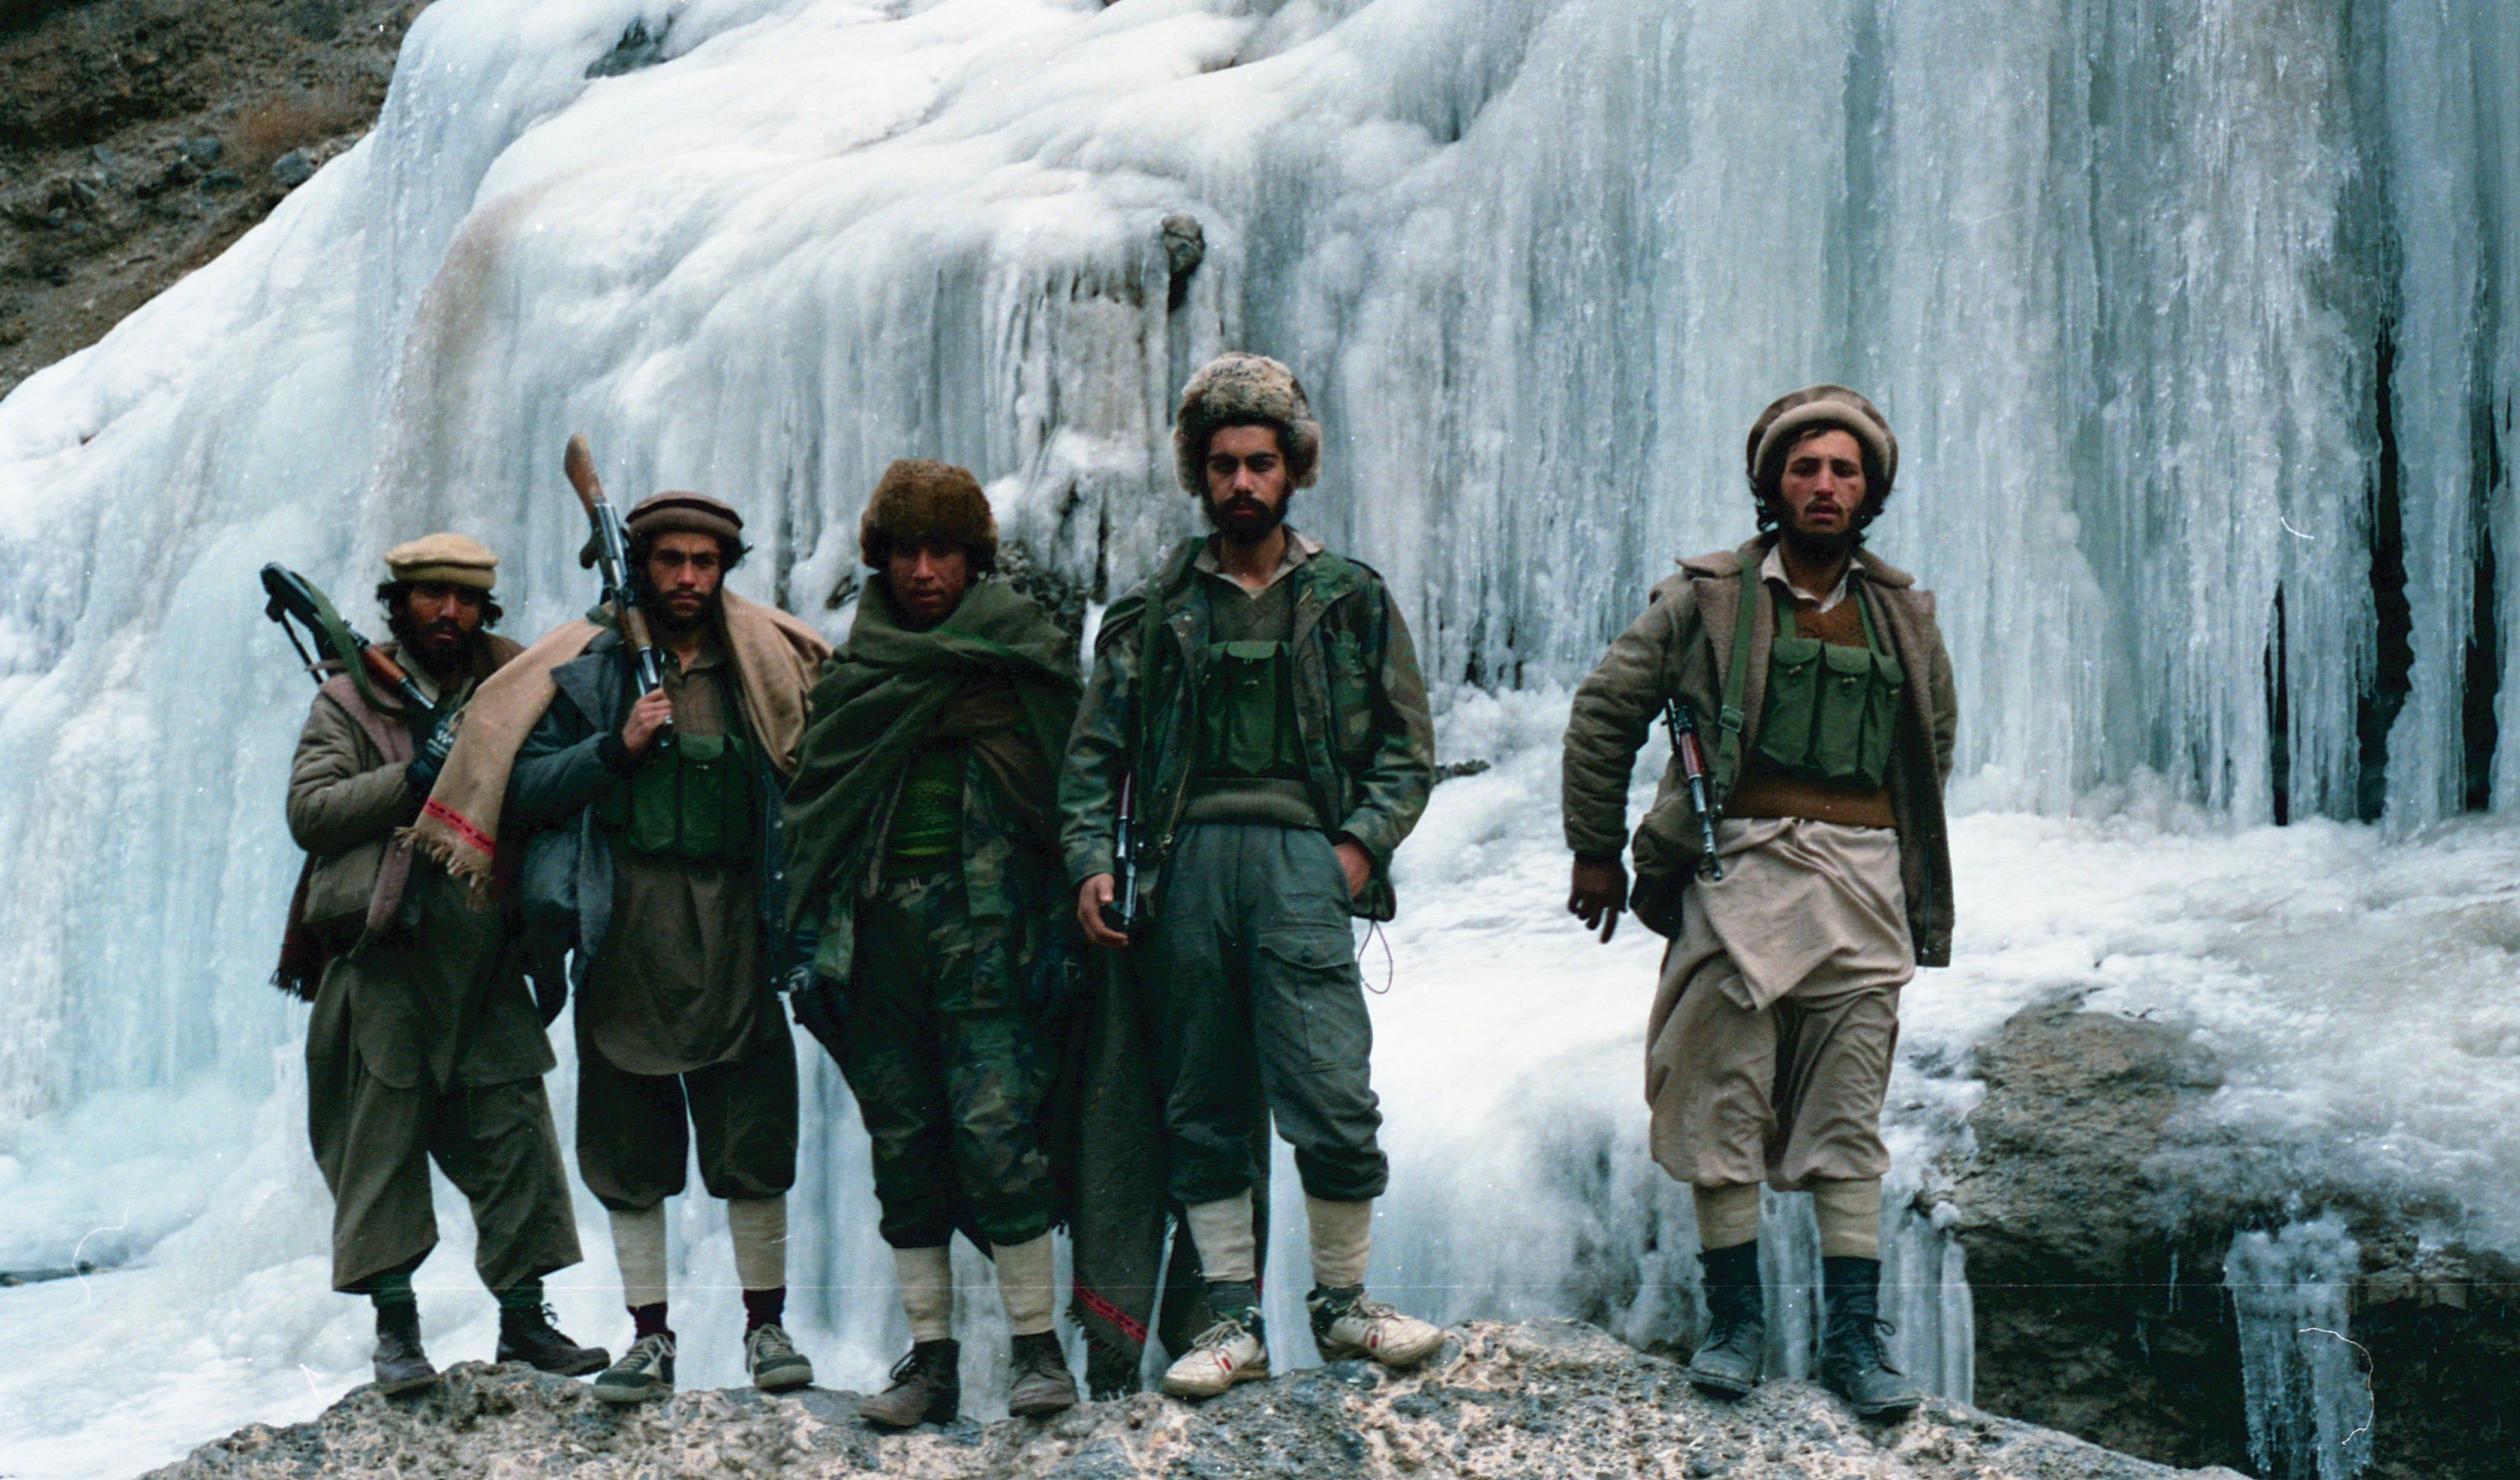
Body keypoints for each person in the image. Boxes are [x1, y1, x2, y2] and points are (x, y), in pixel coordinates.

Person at [1559, 385, 1957, 1419]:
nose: (1823, 486)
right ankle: (1733, 1324)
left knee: (1846, 1112)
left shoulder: (1902, 615)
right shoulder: (1706, 598)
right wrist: (1594, 849)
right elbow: (1604, 711)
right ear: (1771, 484)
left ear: (1869, 492)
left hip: (1863, 890)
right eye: (1803, 468)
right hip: (1735, 877)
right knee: (1718, 1099)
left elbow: (1930, 748)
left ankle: (1853, 1342)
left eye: (1843, 471)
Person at [1061, 353, 1442, 1399]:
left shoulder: (1349, 599)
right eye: (1223, 464)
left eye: (1260, 463)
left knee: (1331, 1091)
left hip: (1301, 870)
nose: (1241, 482)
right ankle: (1230, 1320)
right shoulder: (1153, 610)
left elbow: (1407, 750)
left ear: (1293, 470)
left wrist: (1354, 850)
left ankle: (1343, 1302)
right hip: (1183, 874)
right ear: (1199, 472)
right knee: (1204, 1104)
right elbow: (1093, 759)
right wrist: (1091, 864)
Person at [414, 493, 829, 1404]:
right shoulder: (585, 667)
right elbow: (523, 786)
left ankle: (767, 1330)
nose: (687, 578)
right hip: (625, 922)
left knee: (755, 1138)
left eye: (705, 563)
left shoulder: (762, 663)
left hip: (736, 926)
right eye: (670, 560)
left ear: (724, 570)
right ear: (640, 566)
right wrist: (616, 746)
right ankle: (649, 1340)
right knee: (628, 1150)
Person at [781, 460, 1083, 1426]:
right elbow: (817, 819)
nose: (922, 571)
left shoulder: (1024, 662)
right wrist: (807, 944)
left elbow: (1069, 805)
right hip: (876, 943)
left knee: (998, 1139)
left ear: (972, 560)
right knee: (903, 1147)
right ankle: (932, 1364)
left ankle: (1038, 1352)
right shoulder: (855, 676)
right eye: (905, 552)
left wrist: (1064, 930)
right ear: (879, 561)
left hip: (990, 934)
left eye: (942, 552)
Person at [281, 534, 601, 1394]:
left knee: (514, 1137)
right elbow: (311, 813)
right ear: (400, 604)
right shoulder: (349, 702)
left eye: (464, 599)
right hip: (384, 958)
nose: (449, 613)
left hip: (486, 953)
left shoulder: (521, 687)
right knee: (379, 1147)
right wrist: (412, 777)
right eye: (431, 596)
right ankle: (396, 1334)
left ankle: (526, 1325)